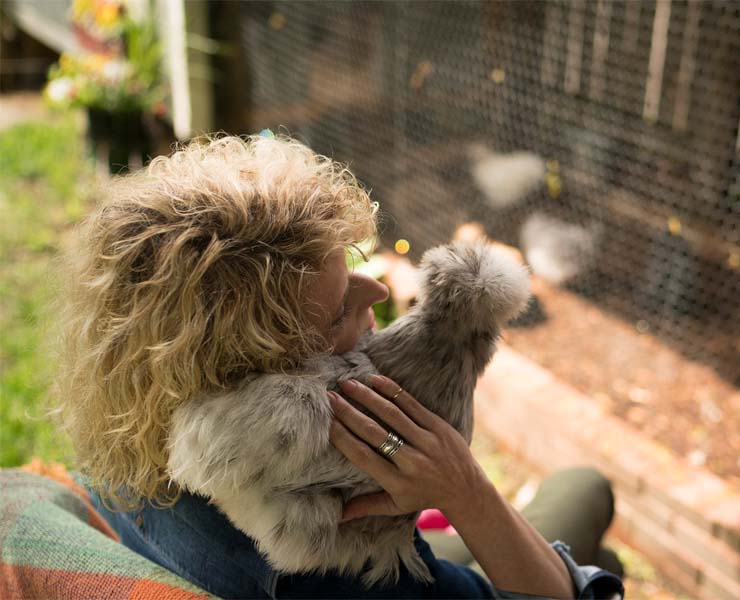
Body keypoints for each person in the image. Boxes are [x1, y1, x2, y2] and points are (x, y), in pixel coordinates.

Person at [56, 134, 624, 599]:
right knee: (586, 488)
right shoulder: (332, 558)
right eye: (336, 316)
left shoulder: (128, 453)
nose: (376, 293)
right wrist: (468, 491)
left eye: (351, 267)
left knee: (597, 551)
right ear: (263, 384)